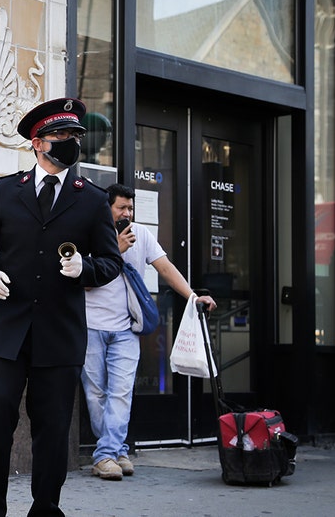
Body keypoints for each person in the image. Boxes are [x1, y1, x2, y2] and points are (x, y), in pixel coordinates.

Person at [0, 97, 123, 516]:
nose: (69, 142)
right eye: (61, 136)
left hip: (60, 335)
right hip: (6, 331)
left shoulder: (90, 199)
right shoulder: (5, 191)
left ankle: (46, 510)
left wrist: (84, 268)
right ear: (38, 143)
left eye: (75, 136)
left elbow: (111, 262)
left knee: (52, 434)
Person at [82, 183, 217, 481]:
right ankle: (116, 449)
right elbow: (86, 282)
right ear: (107, 208)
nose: (128, 213)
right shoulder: (90, 232)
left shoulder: (141, 234)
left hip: (127, 328)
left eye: (131, 208)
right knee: (95, 394)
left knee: (121, 393)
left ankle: (105, 455)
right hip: (90, 326)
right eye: (122, 208)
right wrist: (115, 250)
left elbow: (166, 268)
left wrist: (193, 297)